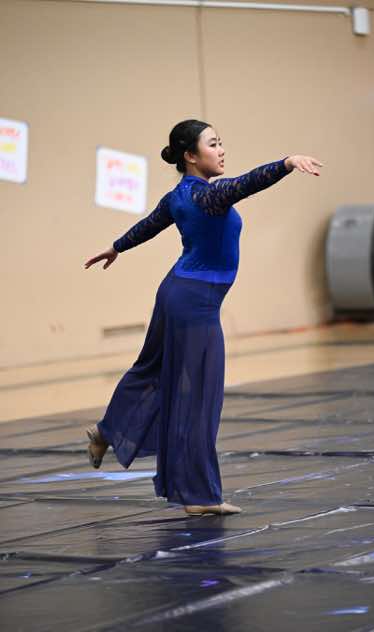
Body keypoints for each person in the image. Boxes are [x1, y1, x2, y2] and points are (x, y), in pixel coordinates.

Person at [84, 119, 323, 516]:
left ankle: (106, 431)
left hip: (177, 293)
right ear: (191, 156)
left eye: (220, 142)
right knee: (199, 398)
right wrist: (286, 163)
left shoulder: (179, 195)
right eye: (213, 144)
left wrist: (117, 246)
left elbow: (149, 225)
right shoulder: (208, 197)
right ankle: (198, 496)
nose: (222, 150)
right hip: (195, 303)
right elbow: (247, 183)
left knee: (151, 370)